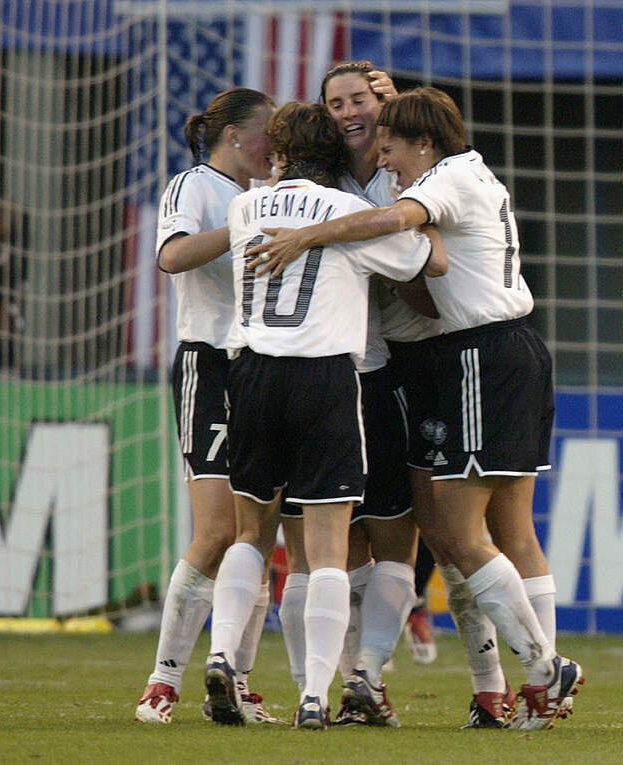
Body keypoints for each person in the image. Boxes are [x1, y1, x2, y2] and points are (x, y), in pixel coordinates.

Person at [248, 86, 583, 731]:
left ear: (422, 141)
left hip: (478, 354)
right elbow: (429, 280)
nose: (383, 157)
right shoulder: (454, 174)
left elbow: (400, 227)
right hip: (486, 352)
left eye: (390, 144)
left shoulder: (444, 180)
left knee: (460, 533)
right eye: (338, 103)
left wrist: (309, 237)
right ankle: (523, 687)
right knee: (481, 531)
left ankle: (542, 671)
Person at [202, 101, 441, 730]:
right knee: (328, 549)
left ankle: (222, 654)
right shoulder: (346, 213)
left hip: (252, 374)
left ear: (280, 153)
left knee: (252, 533)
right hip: (324, 378)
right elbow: (423, 262)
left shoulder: (245, 207)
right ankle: (314, 694)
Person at [134, 87, 281, 726]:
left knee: (258, 537)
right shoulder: (194, 185)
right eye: (268, 131)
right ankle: (162, 681)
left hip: (266, 368)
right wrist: (242, 228)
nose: (275, 144)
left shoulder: (272, 193)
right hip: (210, 365)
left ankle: (237, 683)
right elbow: (171, 256)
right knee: (218, 531)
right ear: (233, 135)